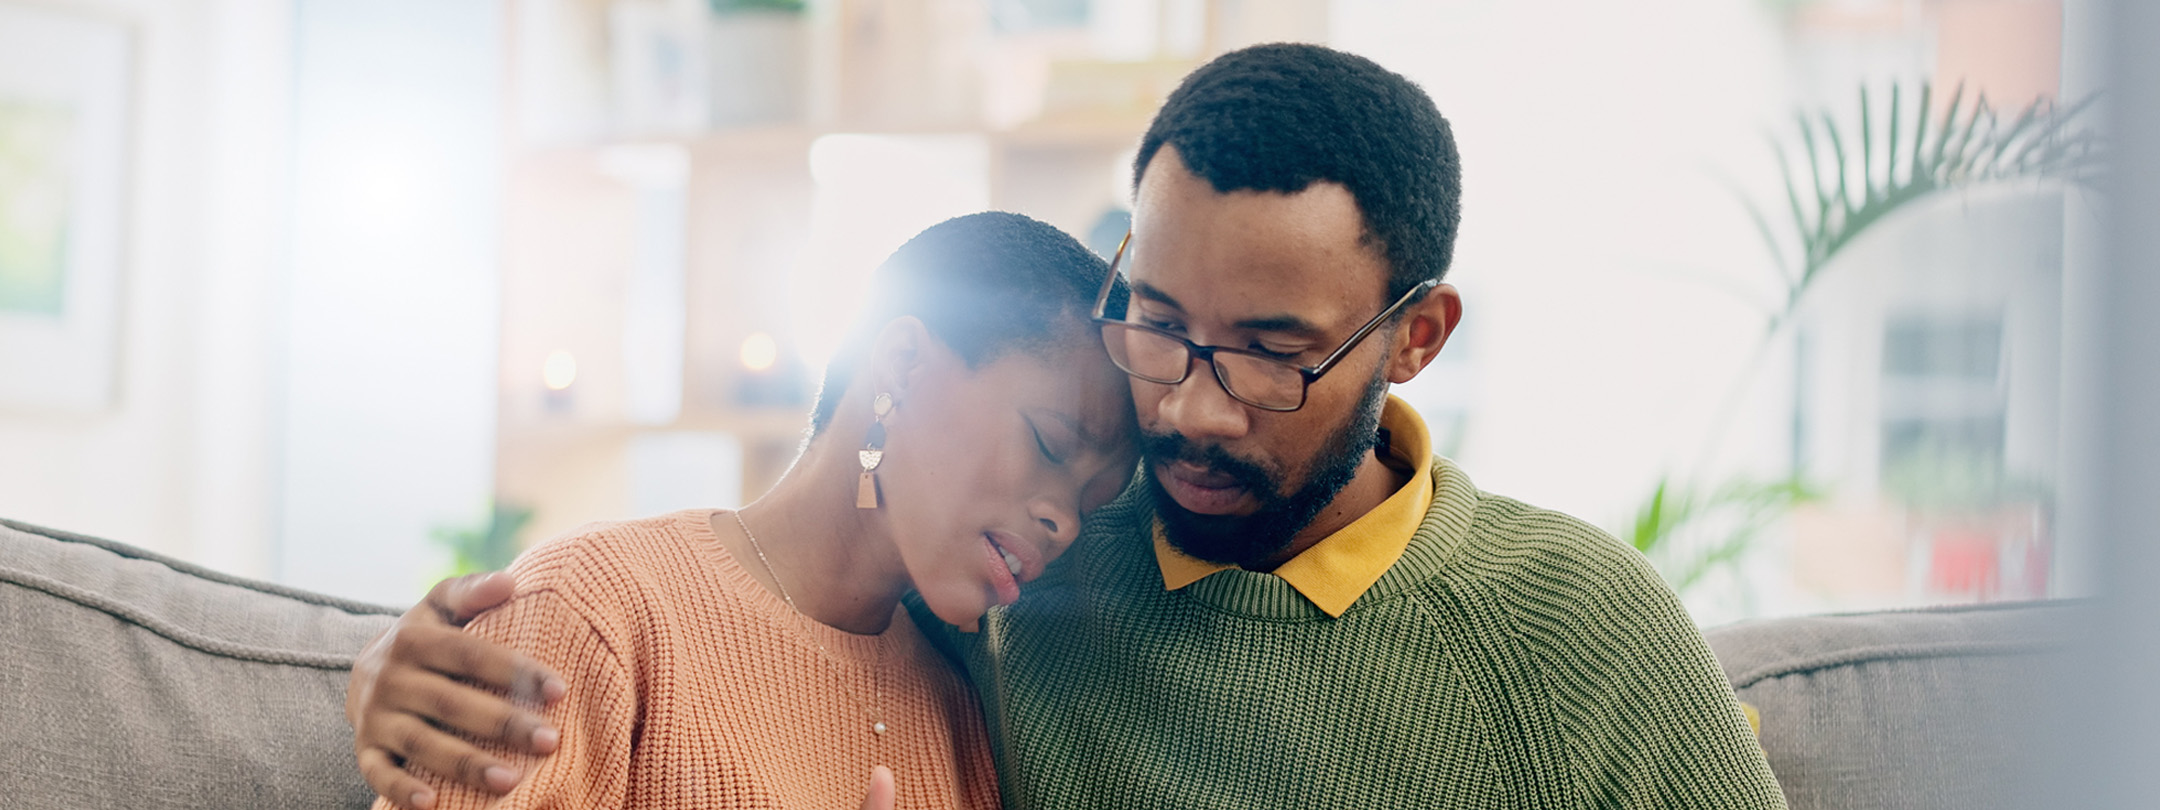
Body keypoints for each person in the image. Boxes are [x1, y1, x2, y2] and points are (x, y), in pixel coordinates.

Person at [349, 44, 1786, 808]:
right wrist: (385, 682)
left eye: (1272, 355)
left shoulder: (1582, 638)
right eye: (1157, 323)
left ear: (1415, 338)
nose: (1188, 407)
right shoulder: (1038, 586)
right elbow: (740, 618)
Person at [348, 211, 1137, 810]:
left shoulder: (964, 707)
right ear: (900, 365)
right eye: (1050, 443)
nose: (1064, 520)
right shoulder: (595, 609)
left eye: (1091, 500)